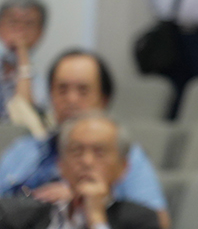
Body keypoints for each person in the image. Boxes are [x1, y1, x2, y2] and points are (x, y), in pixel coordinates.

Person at [0, 51, 169, 229]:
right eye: (62, 90)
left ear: (104, 99)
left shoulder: (127, 154)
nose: (71, 99)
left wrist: (84, 200)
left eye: (83, 90)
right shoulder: (24, 150)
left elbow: (158, 222)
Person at [0, 112, 159, 229]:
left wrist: (96, 218)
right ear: (60, 164)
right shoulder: (19, 216)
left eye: (99, 152)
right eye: (76, 151)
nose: (86, 161)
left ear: (123, 167)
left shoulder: (141, 220)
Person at [0, 0, 47, 122]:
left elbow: (25, 117)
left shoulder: (40, 80)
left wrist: (22, 56)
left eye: (29, 24)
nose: (20, 31)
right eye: (13, 22)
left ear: (40, 32)